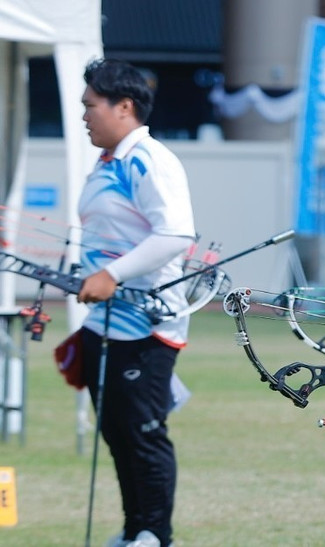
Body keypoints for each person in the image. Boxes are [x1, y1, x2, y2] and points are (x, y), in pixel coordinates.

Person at [77, 58, 197, 547]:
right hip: (103, 322)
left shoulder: (149, 159)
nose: (84, 115)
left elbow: (176, 234)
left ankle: (154, 534)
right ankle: (133, 529)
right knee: (116, 431)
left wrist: (111, 274)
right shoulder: (107, 161)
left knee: (142, 432)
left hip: (147, 324)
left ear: (124, 107)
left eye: (91, 105)